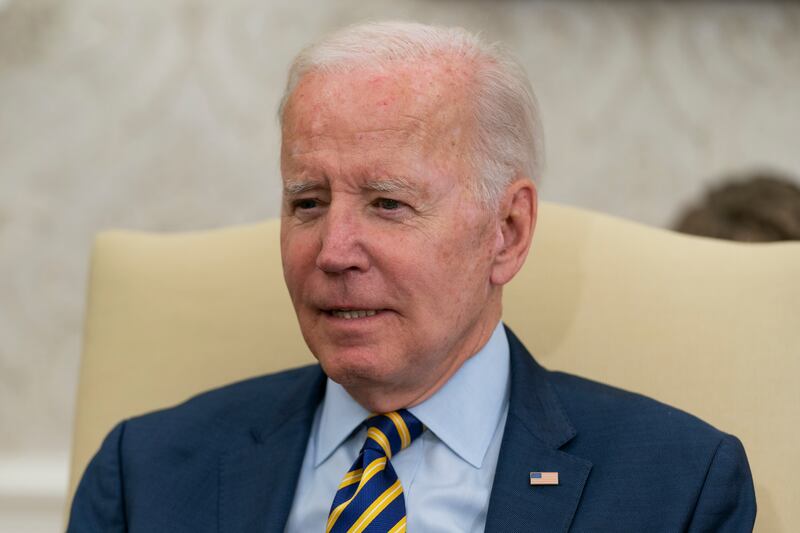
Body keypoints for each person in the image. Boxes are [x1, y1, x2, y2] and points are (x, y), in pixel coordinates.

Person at [67, 21, 756, 532]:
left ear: (507, 232)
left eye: (388, 204)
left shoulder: (678, 486)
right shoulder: (145, 474)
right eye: (307, 202)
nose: (334, 250)